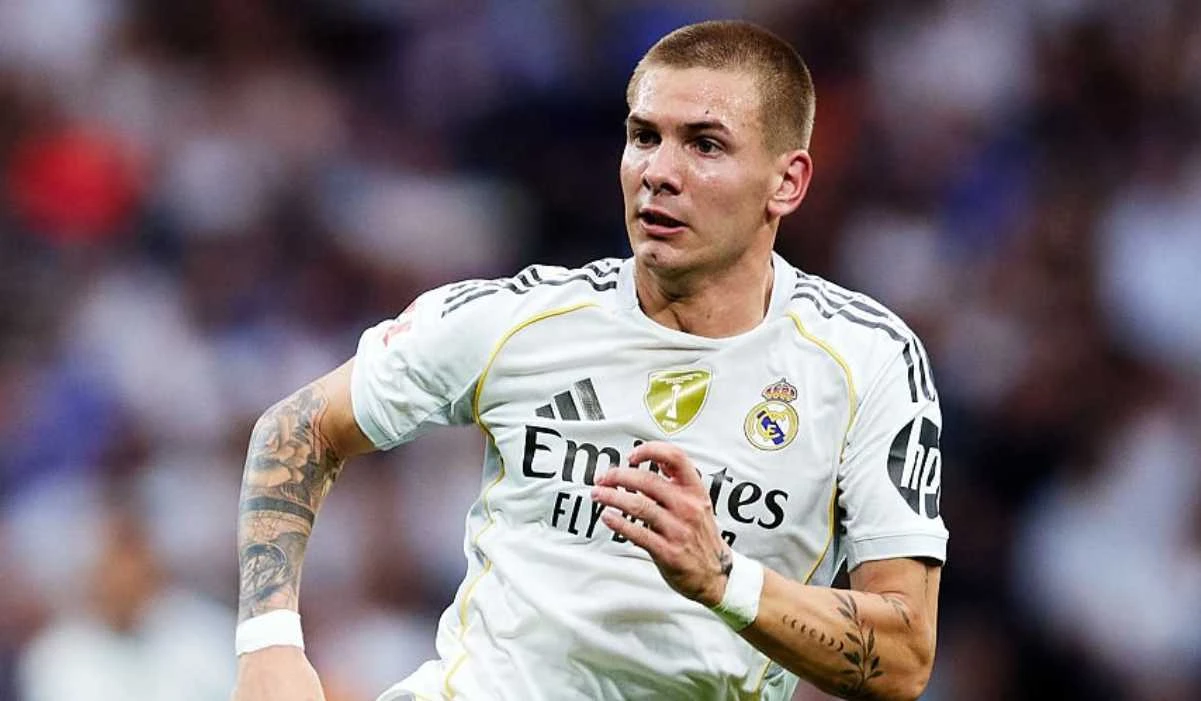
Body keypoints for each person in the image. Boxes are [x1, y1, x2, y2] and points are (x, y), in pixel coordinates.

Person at [231, 19, 946, 701]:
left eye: (704, 145)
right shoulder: (523, 318)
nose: (658, 172)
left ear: (786, 182)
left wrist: (724, 578)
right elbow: (299, 427)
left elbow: (904, 657)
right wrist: (269, 646)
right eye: (644, 137)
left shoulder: (864, 362)